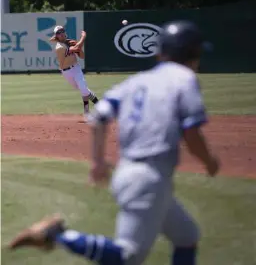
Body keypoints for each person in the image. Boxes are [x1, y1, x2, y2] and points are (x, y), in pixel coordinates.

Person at [8, 20, 220, 265]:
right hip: (148, 177)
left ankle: (56, 235)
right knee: (127, 255)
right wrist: (210, 162)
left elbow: (100, 118)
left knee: (187, 236)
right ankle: (57, 236)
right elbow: (192, 133)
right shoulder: (184, 79)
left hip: (126, 172)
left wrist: (97, 161)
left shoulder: (138, 80)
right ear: (192, 54)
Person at [49, 25, 99, 122]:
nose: (62, 33)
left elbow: (82, 56)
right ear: (57, 36)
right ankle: (88, 112)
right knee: (83, 89)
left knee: (83, 89)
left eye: (62, 31)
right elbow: (77, 47)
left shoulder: (68, 42)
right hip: (66, 72)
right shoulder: (59, 47)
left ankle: (99, 108)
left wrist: (78, 49)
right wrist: (83, 37)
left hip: (76, 68)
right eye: (59, 32)